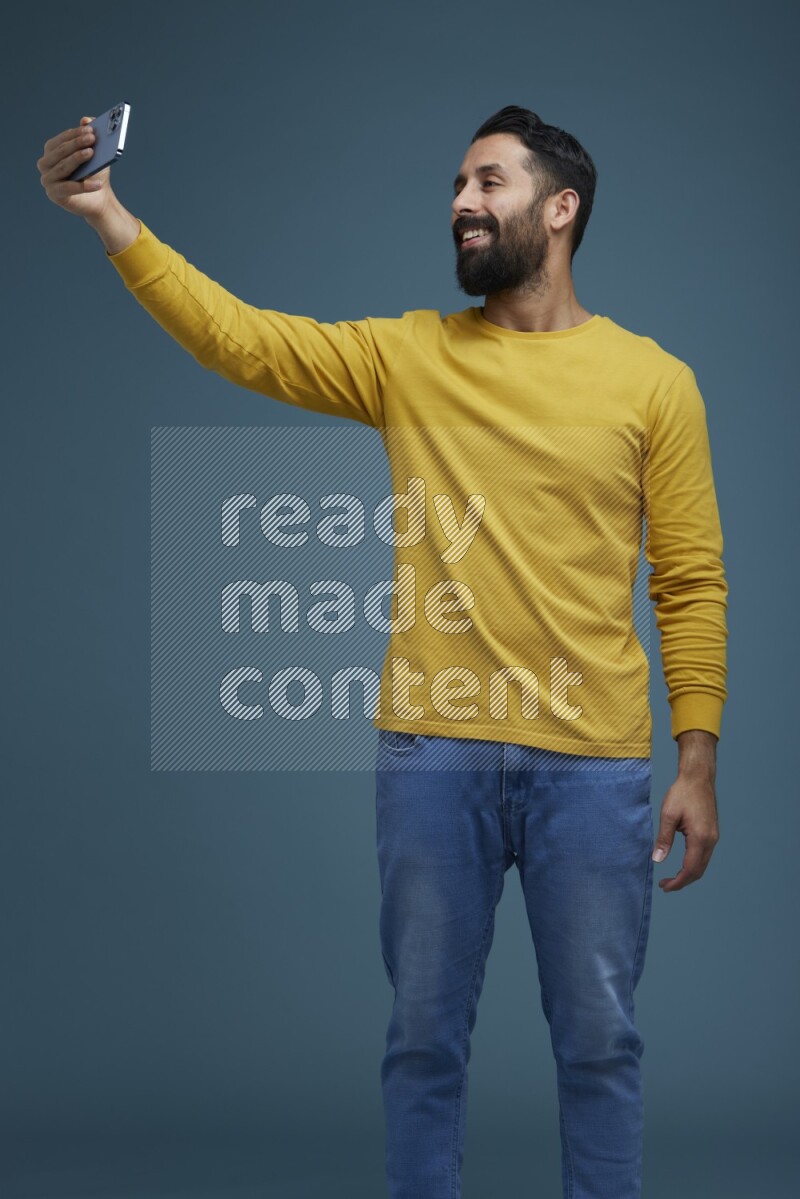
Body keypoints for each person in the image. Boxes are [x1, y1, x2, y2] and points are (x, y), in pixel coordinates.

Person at [37, 103, 727, 1199]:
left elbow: (687, 580)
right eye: (456, 183)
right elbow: (241, 338)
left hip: (591, 768)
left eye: (487, 182)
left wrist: (693, 760)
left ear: (559, 210)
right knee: (420, 1042)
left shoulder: (654, 383)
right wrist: (110, 214)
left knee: (599, 1044)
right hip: (431, 759)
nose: (460, 201)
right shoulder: (408, 355)